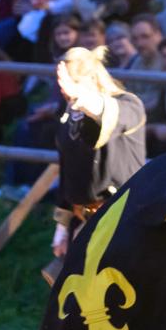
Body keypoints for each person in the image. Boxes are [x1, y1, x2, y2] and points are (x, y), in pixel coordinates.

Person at [45, 46, 146, 286]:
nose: (66, 91)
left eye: (74, 82)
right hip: (82, 221)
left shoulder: (129, 105)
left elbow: (105, 118)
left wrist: (81, 97)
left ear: (91, 78)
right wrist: (62, 226)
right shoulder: (69, 112)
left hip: (123, 221)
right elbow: (67, 169)